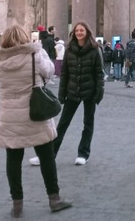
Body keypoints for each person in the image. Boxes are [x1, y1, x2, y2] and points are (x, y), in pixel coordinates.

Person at [0, 24, 71, 217]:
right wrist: (41, 51)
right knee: (47, 158)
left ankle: (17, 204)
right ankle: (54, 199)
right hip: (34, 112)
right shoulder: (34, 55)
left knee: (13, 160)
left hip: (11, 115)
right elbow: (51, 71)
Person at [30, 21, 104, 167]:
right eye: (77, 31)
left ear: (87, 32)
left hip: (89, 91)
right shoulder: (69, 49)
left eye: (82, 30)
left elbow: (99, 73)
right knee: (62, 124)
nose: (79, 33)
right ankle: (49, 154)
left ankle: (83, 153)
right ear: (74, 33)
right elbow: (65, 73)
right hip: (72, 90)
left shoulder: (95, 49)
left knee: (88, 124)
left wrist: (99, 93)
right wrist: (61, 93)